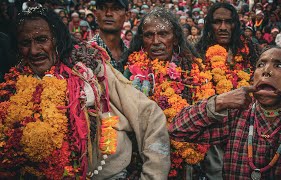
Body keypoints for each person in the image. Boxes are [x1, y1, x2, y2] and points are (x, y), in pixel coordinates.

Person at [0, 6, 170, 179]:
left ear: (56, 39)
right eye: (25, 43)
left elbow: (149, 116)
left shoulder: (90, 69)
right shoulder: (12, 88)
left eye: (42, 39)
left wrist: (152, 176)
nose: (34, 50)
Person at [169, 45, 281, 179]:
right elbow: (178, 130)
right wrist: (219, 101)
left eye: (278, 65)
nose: (266, 71)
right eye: (261, 65)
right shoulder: (237, 114)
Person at [123, 7, 213, 179]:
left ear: (176, 38)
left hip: (187, 162)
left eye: (163, 34)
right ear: (142, 40)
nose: (156, 41)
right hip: (142, 161)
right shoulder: (130, 71)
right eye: (149, 35)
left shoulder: (194, 71)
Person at [195, 3, 257, 179]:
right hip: (212, 135)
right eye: (217, 22)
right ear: (209, 25)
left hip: (246, 132)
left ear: (235, 25)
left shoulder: (250, 51)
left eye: (228, 22)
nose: (223, 27)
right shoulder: (196, 54)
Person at [89, 0, 129, 73]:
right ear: (96, 14)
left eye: (116, 8)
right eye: (102, 8)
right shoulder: (85, 54)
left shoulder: (131, 56)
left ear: (126, 16)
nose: (108, 13)